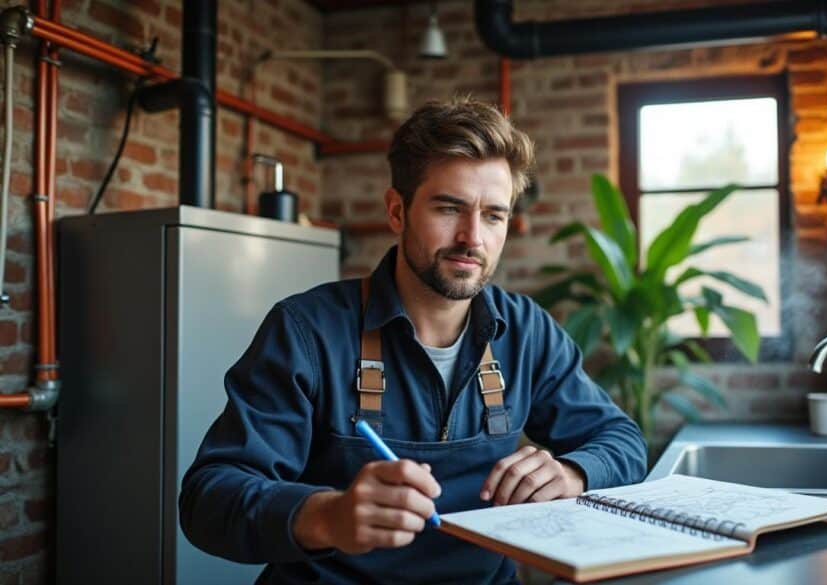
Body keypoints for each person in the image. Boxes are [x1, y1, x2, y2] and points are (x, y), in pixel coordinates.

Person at [179, 97, 647, 584]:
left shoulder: (527, 331)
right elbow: (208, 499)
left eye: (494, 216)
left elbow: (623, 441)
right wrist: (326, 516)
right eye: (450, 208)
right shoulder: (307, 330)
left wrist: (575, 473)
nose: (472, 238)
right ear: (397, 211)